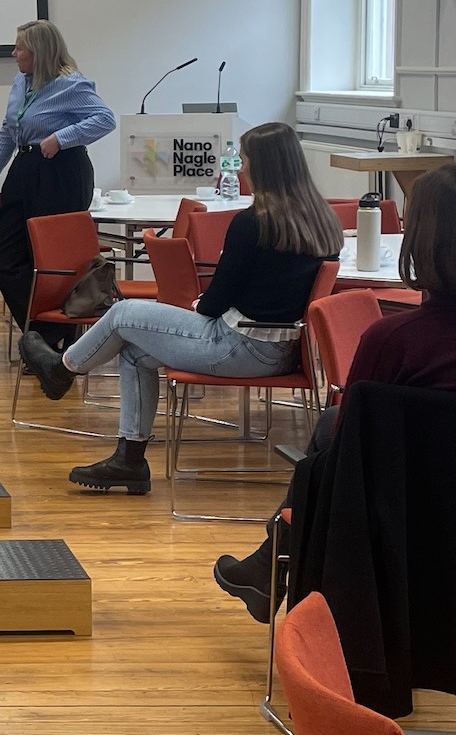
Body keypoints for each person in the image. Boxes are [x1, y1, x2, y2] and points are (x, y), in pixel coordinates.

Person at [211, 161, 456, 618]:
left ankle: (272, 563)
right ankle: (267, 564)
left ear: (420, 241)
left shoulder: (392, 343)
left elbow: (354, 451)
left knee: (330, 434)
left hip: (406, 530)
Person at [24, 122, 342, 494]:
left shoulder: (251, 224)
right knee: (135, 352)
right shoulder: (323, 222)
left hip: (238, 346)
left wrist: (197, 303)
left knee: (124, 313)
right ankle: (128, 460)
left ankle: (62, 370)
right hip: (285, 350)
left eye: (245, 161)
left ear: (266, 167)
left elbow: (216, 303)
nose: (240, 169)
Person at [0, 20, 117, 325]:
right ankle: (42, 332)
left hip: (62, 173)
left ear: (39, 52)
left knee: (53, 260)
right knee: (6, 259)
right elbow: (8, 130)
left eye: (20, 48)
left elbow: (105, 119)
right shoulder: (21, 82)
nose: (14, 54)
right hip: (25, 168)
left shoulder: (71, 84)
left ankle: (53, 339)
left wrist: (62, 137)